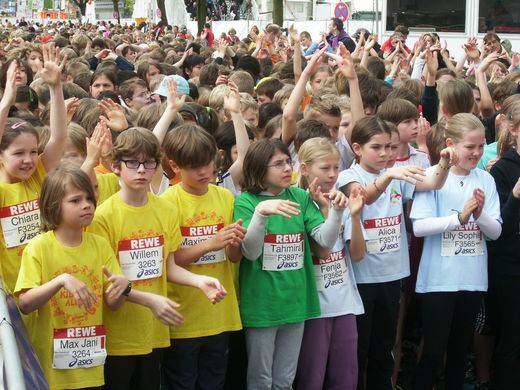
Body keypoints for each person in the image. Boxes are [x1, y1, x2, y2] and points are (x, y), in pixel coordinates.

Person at [88, 128, 227, 390]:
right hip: (119, 336)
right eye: (132, 163)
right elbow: (110, 289)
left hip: (155, 331)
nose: (141, 170)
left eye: (148, 162)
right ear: (116, 167)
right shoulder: (103, 217)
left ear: (157, 166)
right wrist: (148, 300)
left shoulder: (165, 209)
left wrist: (199, 281)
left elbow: (169, 267)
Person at [336, 115, 455, 390]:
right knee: (358, 351)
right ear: (357, 149)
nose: (385, 154)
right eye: (377, 147)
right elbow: (361, 196)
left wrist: (445, 162)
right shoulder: (349, 176)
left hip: (391, 275)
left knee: (383, 349)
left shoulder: (398, 174)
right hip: (361, 277)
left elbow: (434, 182)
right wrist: (389, 175)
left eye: (389, 147)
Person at [234, 138, 347, 389]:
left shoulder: (300, 196)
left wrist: (336, 211)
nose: (287, 168)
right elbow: (250, 253)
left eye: (288, 162)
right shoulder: (246, 202)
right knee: (260, 380)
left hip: (296, 301)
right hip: (262, 305)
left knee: (285, 380)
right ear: (259, 168)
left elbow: (324, 243)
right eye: (278, 164)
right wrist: (262, 213)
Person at [14, 166, 129, 389]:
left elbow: (113, 304)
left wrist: (122, 288)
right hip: (52, 370)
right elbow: (25, 304)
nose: (86, 204)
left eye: (89, 197)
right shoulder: (39, 247)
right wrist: (61, 280)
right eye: (75, 200)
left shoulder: (100, 245)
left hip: (91, 366)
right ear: (54, 206)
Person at [410, 113, 502, 390]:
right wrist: (459, 218)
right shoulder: (432, 177)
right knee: (434, 350)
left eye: (481, 146)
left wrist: (480, 214)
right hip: (439, 279)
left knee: (461, 351)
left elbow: (495, 231)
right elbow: (420, 227)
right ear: (450, 144)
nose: (476, 153)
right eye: (470, 147)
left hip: (472, 278)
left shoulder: (485, 179)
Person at [160, 123, 246, 390]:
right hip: (183, 317)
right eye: (195, 166)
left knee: (214, 382)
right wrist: (210, 243)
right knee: (182, 383)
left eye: (208, 163)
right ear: (175, 166)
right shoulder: (167, 202)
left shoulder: (225, 197)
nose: (204, 171)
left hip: (220, 314)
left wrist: (235, 242)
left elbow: (233, 258)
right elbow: (168, 262)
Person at [295, 137, 365, 390]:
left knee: (346, 377)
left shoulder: (342, 200)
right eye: (325, 168)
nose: (332, 174)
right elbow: (322, 250)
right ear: (304, 169)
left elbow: (357, 254)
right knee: (311, 377)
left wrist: (354, 216)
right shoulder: (298, 201)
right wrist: (327, 211)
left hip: (344, 302)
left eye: (336, 167)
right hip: (314, 306)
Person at [0, 44, 67, 294]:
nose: (29, 159)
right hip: (12, 296)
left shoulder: (37, 174)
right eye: (18, 153)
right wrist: (7, 101)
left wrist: (56, 87)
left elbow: (59, 138)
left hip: (47, 285)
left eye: (32, 151)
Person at [487, 99, 520, 389]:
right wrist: (516, 196)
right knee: (512, 337)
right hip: (511, 267)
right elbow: (497, 230)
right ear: (515, 130)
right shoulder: (502, 170)